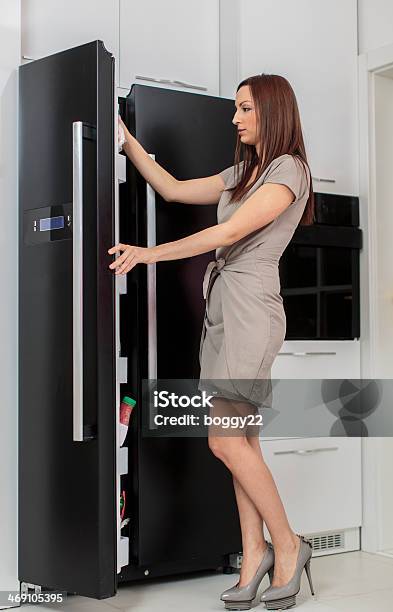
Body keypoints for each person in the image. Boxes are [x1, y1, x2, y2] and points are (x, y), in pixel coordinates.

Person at [110, 74, 315, 611]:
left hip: (251, 312)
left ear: (271, 111)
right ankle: (253, 558)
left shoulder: (288, 170)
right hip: (224, 312)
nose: (235, 118)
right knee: (241, 444)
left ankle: (288, 546)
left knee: (224, 442)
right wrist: (126, 138)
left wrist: (147, 254)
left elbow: (226, 235)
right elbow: (174, 189)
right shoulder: (243, 173)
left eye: (245, 108)